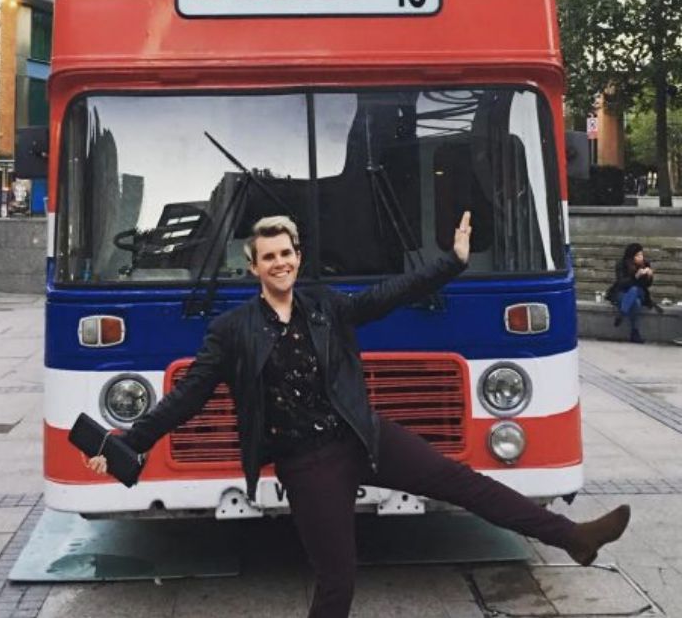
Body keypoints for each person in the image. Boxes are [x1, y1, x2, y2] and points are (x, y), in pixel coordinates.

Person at [86, 213, 630, 617]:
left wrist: (453, 263)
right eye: (269, 256)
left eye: (287, 252)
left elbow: (388, 295)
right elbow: (190, 396)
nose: (280, 262)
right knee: (336, 581)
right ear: (252, 266)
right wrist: (129, 438)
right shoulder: (231, 332)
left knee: (466, 483)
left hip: (362, 435)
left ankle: (573, 538)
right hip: (307, 462)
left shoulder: (324, 305)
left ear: (298, 257)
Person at [605, 242, 655, 343]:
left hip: (640, 292)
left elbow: (647, 285)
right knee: (635, 302)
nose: (641, 257)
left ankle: (622, 313)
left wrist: (649, 276)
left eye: (641, 254)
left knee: (635, 290)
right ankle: (634, 333)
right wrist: (635, 276)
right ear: (631, 257)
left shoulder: (645, 264)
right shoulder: (621, 264)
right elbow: (621, 283)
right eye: (638, 255)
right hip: (622, 292)